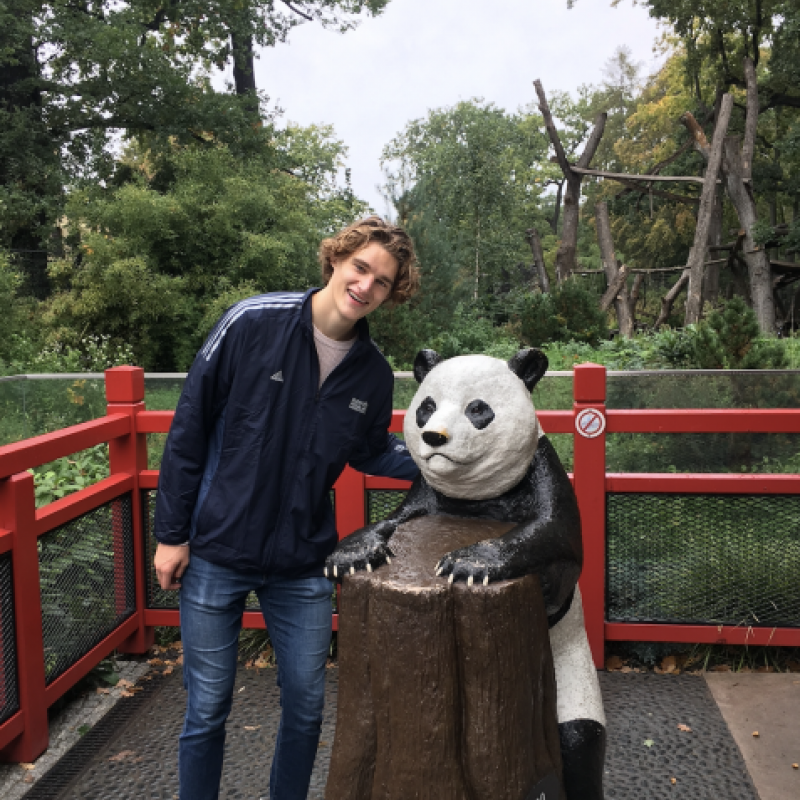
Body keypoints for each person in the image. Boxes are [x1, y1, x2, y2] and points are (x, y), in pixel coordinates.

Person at [153, 216, 420, 800]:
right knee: (208, 708)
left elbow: (372, 450)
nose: (366, 286)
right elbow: (189, 426)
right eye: (361, 268)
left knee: (305, 708)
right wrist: (171, 535)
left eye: (382, 281)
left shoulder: (372, 373)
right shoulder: (252, 322)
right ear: (337, 260)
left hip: (302, 561)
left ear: (390, 293)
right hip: (216, 549)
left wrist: (445, 459)